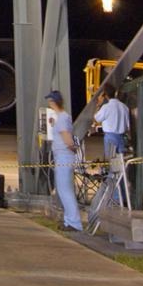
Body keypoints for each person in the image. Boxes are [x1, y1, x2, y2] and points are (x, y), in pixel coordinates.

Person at [46, 89, 83, 232]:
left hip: (63, 156)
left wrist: (71, 148)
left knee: (65, 190)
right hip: (64, 156)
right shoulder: (63, 116)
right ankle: (70, 221)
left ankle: (74, 222)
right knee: (64, 190)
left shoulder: (62, 118)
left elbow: (66, 138)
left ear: (52, 102)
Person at [92, 87, 131, 158]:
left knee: (110, 162)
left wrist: (98, 104)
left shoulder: (106, 107)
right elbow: (128, 126)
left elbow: (96, 118)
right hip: (122, 138)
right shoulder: (125, 107)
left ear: (105, 95)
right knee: (121, 163)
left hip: (110, 138)